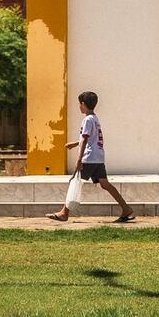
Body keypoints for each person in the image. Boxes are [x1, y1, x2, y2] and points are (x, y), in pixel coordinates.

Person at [48, 90, 136, 223]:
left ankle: (64, 213)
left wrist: (79, 159)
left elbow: (85, 140)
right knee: (105, 184)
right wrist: (75, 143)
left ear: (83, 104)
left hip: (89, 158)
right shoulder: (95, 119)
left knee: (74, 181)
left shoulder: (87, 120)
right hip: (98, 157)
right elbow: (91, 138)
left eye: (79, 104)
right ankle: (126, 208)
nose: (79, 106)